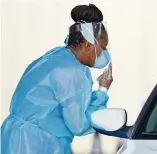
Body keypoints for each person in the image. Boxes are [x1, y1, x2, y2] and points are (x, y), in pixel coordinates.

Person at [1, 4, 112, 154]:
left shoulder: (56, 55)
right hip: (37, 144)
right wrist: (103, 89)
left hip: (13, 137)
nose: (104, 53)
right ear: (87, 45)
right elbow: (79, 125)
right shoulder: (72, 72)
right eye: (103, 47)